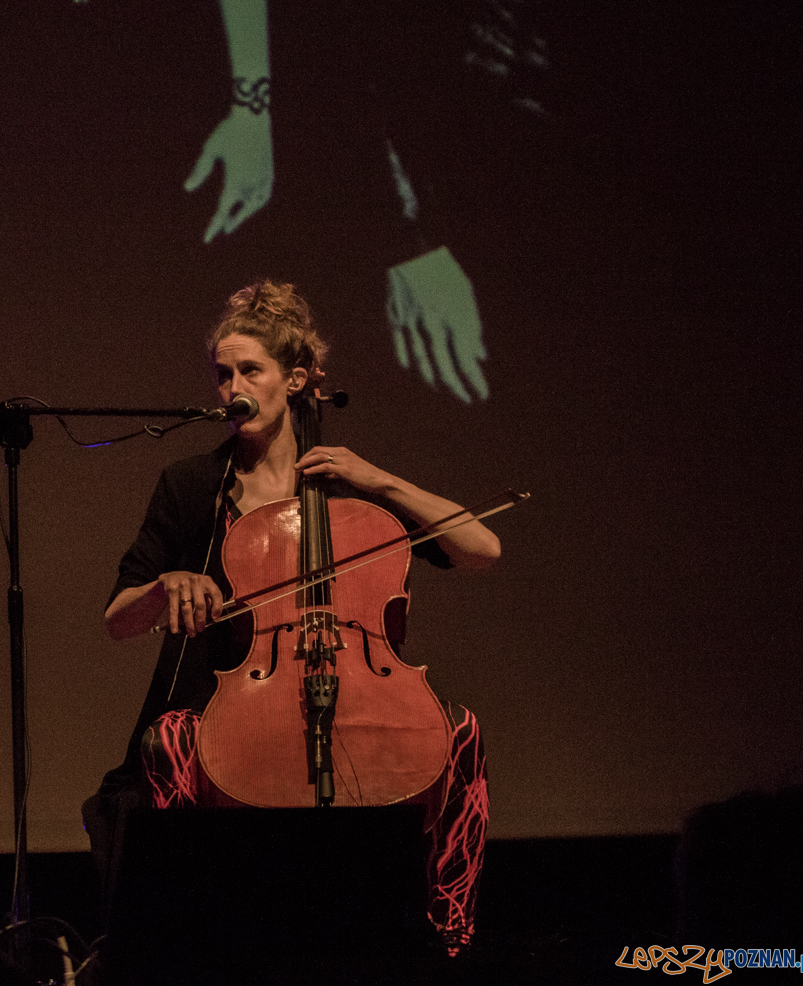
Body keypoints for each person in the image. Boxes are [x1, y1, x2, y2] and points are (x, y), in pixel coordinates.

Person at [83, 279, 498, 950]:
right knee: (167, 742)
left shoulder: (350, 495)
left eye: (251, 370)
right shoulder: (192, 484)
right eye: (223, 373)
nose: (233, 387)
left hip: (359, 702)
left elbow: (482, 548)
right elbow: (118, 618)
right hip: (240, 711)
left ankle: (447, 934)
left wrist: (383, 480)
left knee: (460, 733)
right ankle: (187, 946)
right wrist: (171, 582)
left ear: (296, 379)